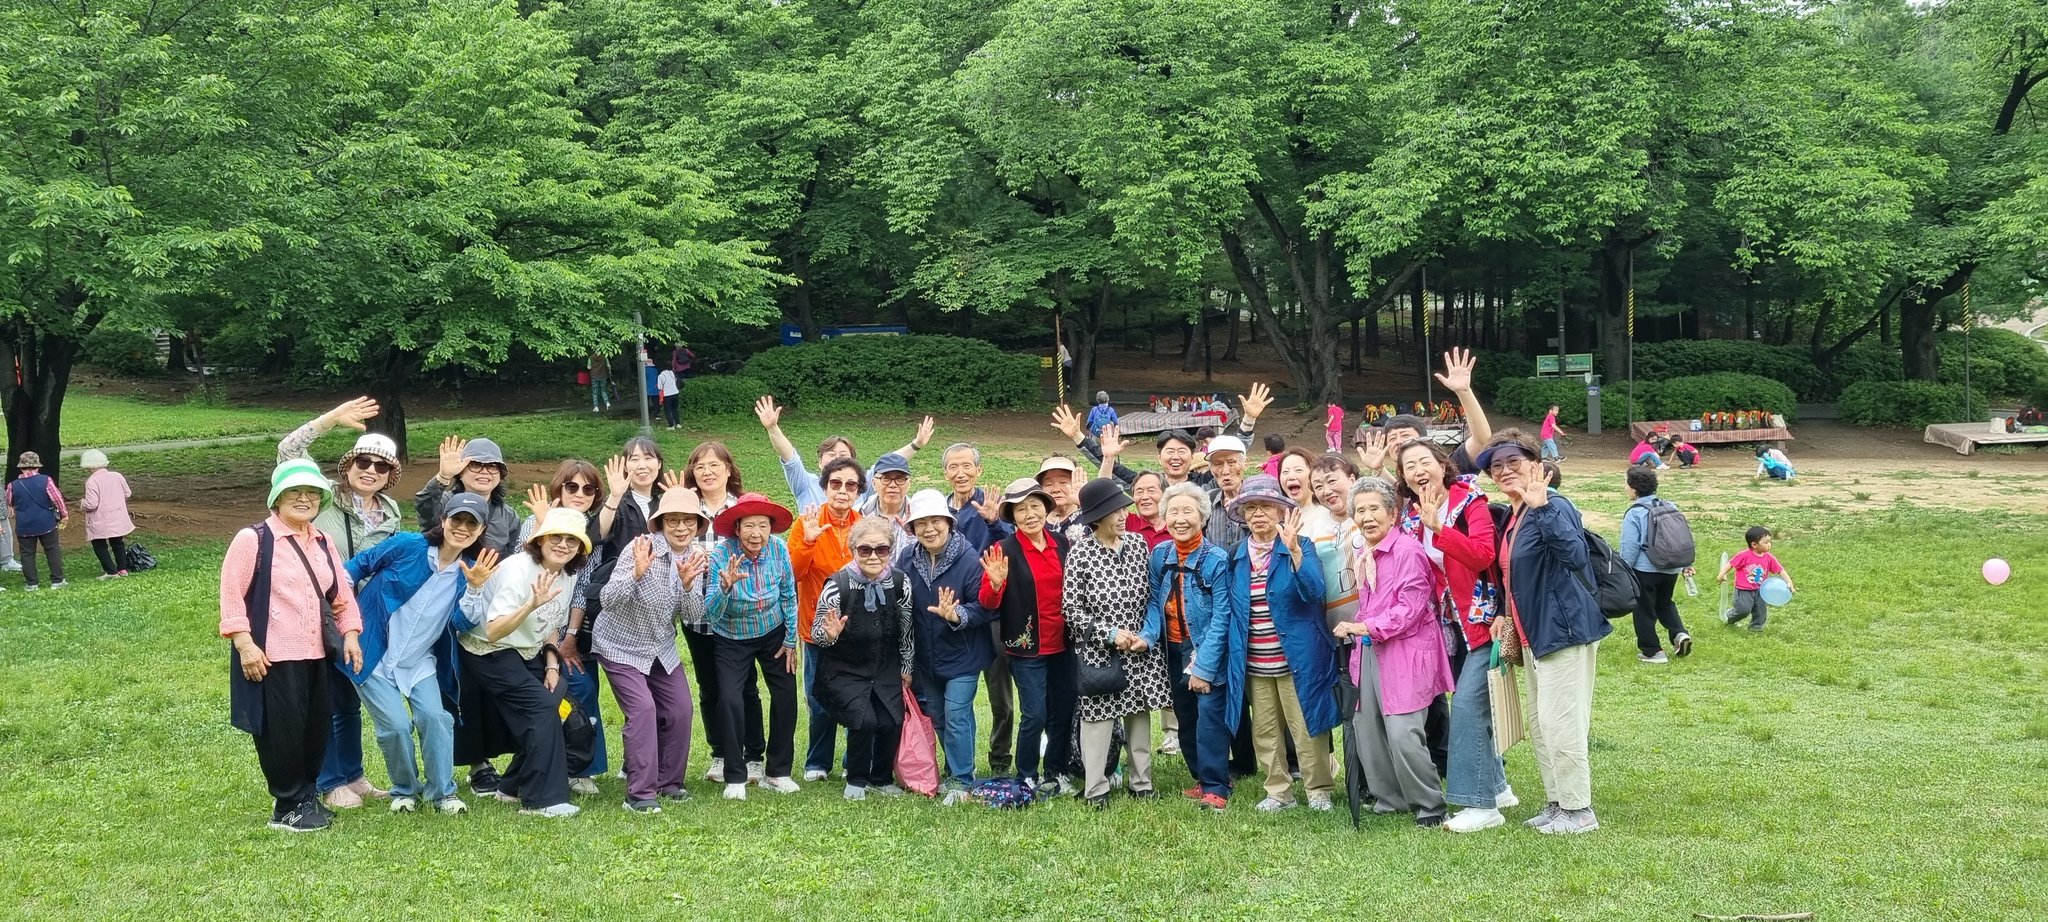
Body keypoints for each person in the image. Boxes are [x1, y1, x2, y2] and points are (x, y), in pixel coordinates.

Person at [219, 459, 366, 831]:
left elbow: (341, 595)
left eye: (312, 493)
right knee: (281, 732)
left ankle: (306, 797)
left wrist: (350, 634)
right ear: (277, 498)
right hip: (272, 656)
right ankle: (286, 806)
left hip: (317, 653)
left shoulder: (323, 541)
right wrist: (245, 645)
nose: (304, 499)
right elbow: (231, 596)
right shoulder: (253, 539)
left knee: (314, 728)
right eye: (295, 492)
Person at [1476, 430, 1610, 834]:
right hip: (1532, 633)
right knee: (1540, 722)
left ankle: (1578, 810)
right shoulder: (1514, 515)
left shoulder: (1553, 505)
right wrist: (1503, 613)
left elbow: (1575, 556)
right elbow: (1513, 575)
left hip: (1563, 630)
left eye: (1513, 462)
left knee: (1560, 722)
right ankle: (1557, 802)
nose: (1504, 471)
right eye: (1496, 466)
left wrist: (1543, 507)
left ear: (1536, 464)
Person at [278, 398, 406, 807]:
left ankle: (354, 775)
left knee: (350, 700)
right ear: (348, 465)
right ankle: (330, 781)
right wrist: (331, 419)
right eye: (363, 462)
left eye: (381, 466)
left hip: (363, 615)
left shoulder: (391, 511)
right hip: (320, 610)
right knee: (329, 699)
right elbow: (288, 451)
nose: (370, 471)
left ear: (390, 475)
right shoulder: (323, 496)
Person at [342, 493, 495, 816]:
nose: (462, 528)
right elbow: (356, 567)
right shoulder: (408, 545)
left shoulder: (470, 571)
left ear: (481, 530)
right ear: (443, 520)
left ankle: (443, 794)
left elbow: (462, 622)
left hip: (420, 660)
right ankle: (405, 790)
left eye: (472, 523)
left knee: (436, 719)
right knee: (396, 727)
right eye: (457, 519)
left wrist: (475, 588)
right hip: (372, 654)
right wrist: (341, 614)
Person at [1389, 438, 1510, 831]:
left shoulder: (1469, 501)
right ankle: (1498, 787)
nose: (1418, 471)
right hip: (1446, 629)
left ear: (1443, 465)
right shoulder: (1409, 517)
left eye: (1424, 461)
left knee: (1468, 710)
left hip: (1483, 622)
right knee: (1473, 707)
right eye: (1409, 466)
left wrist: (1440, 528)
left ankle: (1480, 806)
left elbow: (1483, 554)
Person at [1335, 477, 1454, 827]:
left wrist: (1363, 627)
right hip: (1370, 649)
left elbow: (1410, 608)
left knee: (1403, 731)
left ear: (1392, 514)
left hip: (1406, 649)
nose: (1367, 517)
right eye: (1360, 510)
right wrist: (1363, 629)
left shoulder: (1407, 550)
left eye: (1374, 509)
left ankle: (1430, 805)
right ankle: (1390, 799)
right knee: (1367, 726)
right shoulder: (1364, 552)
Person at [460, 507, 588, 818]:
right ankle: (542, 801)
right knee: (541, 709)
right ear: (540, 539)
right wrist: (530, 604)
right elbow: (493, 630)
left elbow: (550, 625)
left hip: (528, 651)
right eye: (556, 537)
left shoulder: (567, 574)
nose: (563, 545)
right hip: (488, 651)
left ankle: (510, 787)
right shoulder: (517, 569)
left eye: (572, 540)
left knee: (559, 707)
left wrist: (552, 665)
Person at [1228, 475, 1339, 813]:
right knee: (1265, 730)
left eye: (1265, 506)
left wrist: (1293, 551)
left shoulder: (1301, 545)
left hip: (1297, 658)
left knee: (1306, 726)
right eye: (1250, 508)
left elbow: (1314, 591)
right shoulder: (1237, 554)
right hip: (1255, 661)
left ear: (1281, 511)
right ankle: (1278, 791)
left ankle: (1318, 790)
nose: (1257, 514)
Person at [597, 489, 711, 814]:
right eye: (672, 520)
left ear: (697, 525)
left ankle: (669, 783)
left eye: (688, 521)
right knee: (643, 710)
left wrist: (688, 586)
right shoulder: (641, 547)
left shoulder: (697, 557)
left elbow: (694, 615)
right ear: (660, 523)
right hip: (620, 646)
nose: (681, 527)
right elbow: (608, 600)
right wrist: (636, 573)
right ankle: (639, 794)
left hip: (660, 647)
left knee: (681, 709)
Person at [1063, 478, 1170, 809]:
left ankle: (1142, 783)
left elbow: (1152, 595)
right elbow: (1071, 609)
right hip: (1100, 652)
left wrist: (1145, 636)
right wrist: (1108, 634)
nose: (1123, 515)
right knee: (1097, 720)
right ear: (1097, 518)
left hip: (1138, 649)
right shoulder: (1081, 552)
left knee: (1138, 717)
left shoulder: (1138, 545)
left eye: (1124, 509)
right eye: (1114, 511)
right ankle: (1096, 788)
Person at [520, 458, 615, 797]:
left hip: (571, 632)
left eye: (588, 489)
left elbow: (583, 588)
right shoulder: (535, 520)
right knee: (547, 699)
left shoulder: (589, 530)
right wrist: (542, 522)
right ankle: (542, 766)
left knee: (584, 689)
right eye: (571, 486)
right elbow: (523, 566)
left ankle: (583, 768)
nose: (579, 493)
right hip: (529, 628)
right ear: (558, 487)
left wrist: (569, 638)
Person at [1140, 482, 1237, 811]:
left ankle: (1216, 786)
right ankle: (1201, 777)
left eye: (1188, 512)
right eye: (1173, 512)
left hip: (1205, 647)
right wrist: (1147, 637)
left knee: (1209, 717)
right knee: (1185, 716)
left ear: (1203, 516)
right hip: (1172, 648)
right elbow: (1154, 602)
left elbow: (1222, 616)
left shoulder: (1217, 560)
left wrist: (1204, 666)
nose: (1180, 519)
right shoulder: (1160, 555)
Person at [977, 478, 1076, 795]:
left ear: (1046, 509)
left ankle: (1056, 771)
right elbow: (987, 603)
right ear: (1013, 516)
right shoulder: (1003, 550)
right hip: (1027, 648)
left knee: (1063, 710)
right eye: (1021, 509)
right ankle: (1027, 774)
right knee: (1035, 713)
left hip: (1064, 643)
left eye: (1035, 506)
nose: (1030, 514)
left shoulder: (1062, 543)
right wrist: (995, 584)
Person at [897, 489, 994, 803]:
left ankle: (962, 781)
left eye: (935, 521)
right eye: (921, 523)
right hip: (927, 657)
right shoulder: (906, 559)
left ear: (949, 522)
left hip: (963, 655)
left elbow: (984, 608)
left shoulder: (968, 558)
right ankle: (956, 769)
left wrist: (956, 614)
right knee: (938, 716)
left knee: (956, 713)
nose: (929, 529)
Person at [704, 493, 802, 800]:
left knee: (785, 695)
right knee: (730, 699)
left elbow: (788, 594)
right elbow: (711, 613)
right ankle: (735, 776)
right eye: (749, 525)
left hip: (772, 631)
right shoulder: (722, 555)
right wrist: (725, 587)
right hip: (731, 636)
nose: (756, 533)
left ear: (771, 528)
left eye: (763, 525)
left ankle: (778, 772)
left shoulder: (779, 548)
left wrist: (790, 639)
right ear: (737, 529)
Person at [811, 516, 916, 800]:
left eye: (881, 549)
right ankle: (856, 780)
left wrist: (907, 666)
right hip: (844, 668)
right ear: (853, 550)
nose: (873, 556)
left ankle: (881, 779)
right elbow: (818, 635)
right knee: (865, 720)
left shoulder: (900, 582)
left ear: (890, 550)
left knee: (891, 720)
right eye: (865, 549)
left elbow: (906, 628)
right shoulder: (837, 585)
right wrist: (830, 634)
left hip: (884, 665)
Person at [683, 440, 763, 783]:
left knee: (746, 687)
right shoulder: (686, 508)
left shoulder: (741, 508)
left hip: (737, 617)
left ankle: (754, 756)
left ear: (728, 470)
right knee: (710, 688)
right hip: (698, 617)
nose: (707, 472)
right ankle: (719, 754)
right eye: (700, 466)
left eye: (714, 465)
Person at [937, 442, 1012, 773]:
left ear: (979, 470)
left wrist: (994, 522)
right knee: (953, 697)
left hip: (992, 615)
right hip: (954, 615)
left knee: (1000, 696)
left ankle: (1000, 760)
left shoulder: (990, 506)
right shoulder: (939, 511)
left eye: (967, 465)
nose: (960, 473)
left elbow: (1011, 544)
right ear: (945, 473)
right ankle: (955, 762)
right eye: (953, 467)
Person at [790, 458, 866, 782]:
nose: (842, 491)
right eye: (835, 483)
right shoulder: (806, 522)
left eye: (851, 485)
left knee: (855, 694)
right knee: (819, 696)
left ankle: (853, 760)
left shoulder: (865, 525)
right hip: (817, 626)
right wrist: (808, 541)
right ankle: (817, 763)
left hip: (857, 628)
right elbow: (792, 573)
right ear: (824, 487)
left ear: (859, 491)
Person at [1053, 382, 1274, 491]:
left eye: (1181, 451)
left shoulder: (1205, 484)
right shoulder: (1148, 486)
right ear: (1159, 458)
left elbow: (1232, 453)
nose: (1175, 457)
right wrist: (1078, 436)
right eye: (1170, 451)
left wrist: (1248, 420)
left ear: (1193, 456)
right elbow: (1110, 466)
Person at [753, 396, 933, 515]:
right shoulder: (806, 484)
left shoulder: (861, 483)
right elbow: (790, 458)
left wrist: (915, 444)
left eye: (843, 455)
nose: (837, 459)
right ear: (820, 462)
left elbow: (886, 464)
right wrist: (772, 428)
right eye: (831, 454)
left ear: (853, 462)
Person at [1354, 349, 1497, 477]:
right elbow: (1403, 496)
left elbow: (1482, 441)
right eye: (1392, 438)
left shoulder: (1448, 468)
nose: (1398, 442)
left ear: (1424, 440)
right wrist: (1379, 469)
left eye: (1405, 435)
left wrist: (1464, 392)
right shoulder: (1405, 479)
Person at [1620, 467, 1691, 664]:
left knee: (1643, 609)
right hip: (1671, 567)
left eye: (1626, 483)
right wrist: (1685, 564)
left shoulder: (1635, 513)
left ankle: (1652, 651)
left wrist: (1625, 570)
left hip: (1645, 569)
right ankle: (1679, 634)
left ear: (1634, 488)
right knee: (1665, 603)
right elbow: (1681, 537)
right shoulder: (1670, 506)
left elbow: (1630, 547)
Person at [416, 436, 520, 557]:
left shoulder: (509, 517)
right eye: (476, 465)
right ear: (460, 472)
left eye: (492, 466)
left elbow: (511, 558)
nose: (484, 471)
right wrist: (443, 476)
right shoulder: (444, 502)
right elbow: (424, 506)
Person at [8, 451, 68, 590]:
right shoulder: (46, 480)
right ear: (37, 467)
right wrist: (64, 514)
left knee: (27, 554)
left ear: (21, 468)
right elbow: (57, 498)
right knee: (52, 550)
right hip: (46, 522)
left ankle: (32, 583)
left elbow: (9, 501)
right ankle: (57, 580)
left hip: (24, 525)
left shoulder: (13, 485)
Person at [1719, 526, 1791, 632]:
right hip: (1743, 590)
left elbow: (1780, 570)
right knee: (1743, 610)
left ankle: (1755, 629)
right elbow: (1731, 564)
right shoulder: (1744, 555)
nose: (1769, 545)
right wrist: (1722, 574)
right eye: (1766, 542)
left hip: (1760, 590)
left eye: (1770, 542)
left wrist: (1789, 581)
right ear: (1754, 545)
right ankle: (1729, 617)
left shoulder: (1769, 558)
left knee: (1760, 612)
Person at [78, 450, 135, 579]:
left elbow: (91, 504)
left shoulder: (92, 481)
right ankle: (122, 569)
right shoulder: (117, 476)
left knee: (99, 544)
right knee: (117, 542)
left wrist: (82, 503)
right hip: (118, 516)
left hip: (101, 519)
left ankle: (111, 571)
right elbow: (128, 493)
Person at [856, 452, 914, 527]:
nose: (892, 485)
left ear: (909, 484)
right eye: (886, 479)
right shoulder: (858, 513)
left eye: (900, 479)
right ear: (874, 483)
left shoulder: (918, 515)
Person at [1123, 469, 1170, 549]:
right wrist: (1108, 462)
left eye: (1151, 491)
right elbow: (1104, 500)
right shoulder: (1127, 522)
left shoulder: (1176, 526)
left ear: (1165, 495)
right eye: (1139, 492)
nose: (1145, 497)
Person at [656, 365, 681, 430]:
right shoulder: (671, 372)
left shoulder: (660, 376)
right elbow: (675, 380)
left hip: (667, 395)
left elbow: (660, 387)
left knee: (668, 410)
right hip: (675, 393)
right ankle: (678, 424)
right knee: (675, 409)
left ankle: (671, 425)